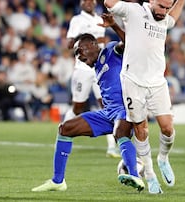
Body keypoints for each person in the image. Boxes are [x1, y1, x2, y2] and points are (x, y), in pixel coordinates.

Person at [31, 33, 145, 192]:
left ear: (93, 44)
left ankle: (135, 177)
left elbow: (129, 41)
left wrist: (113, 24)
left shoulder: (111, 50)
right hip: (108, 113)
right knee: (65, 129)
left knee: (120, 133)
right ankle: (58, 181)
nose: (78, 56)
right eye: (76, 54)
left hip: (126, 108)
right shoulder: (97, 66)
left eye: (80, 51)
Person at [104, 0, 185, 190]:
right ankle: (150, 176)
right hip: (133, 82)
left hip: (157, 83)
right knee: (141, 129)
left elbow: (174, 14)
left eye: (167, 8)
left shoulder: (164, 19)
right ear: (151, 1)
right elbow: (109, 2)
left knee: (167, 128)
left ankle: (163, 158)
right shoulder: (133, 11)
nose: (164, 11)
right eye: (161, 7)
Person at [65, 0, 119, 158]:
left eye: (91, 0)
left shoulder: (100, 18)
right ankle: (62, 133)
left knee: (106, 105)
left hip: (101, 67)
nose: (88, 2)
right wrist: (91, 41)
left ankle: (111, 147)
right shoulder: (77, 20)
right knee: (78, 107)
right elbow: (69, 44)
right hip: (83, 69)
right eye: (85, 0)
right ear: (80, 3)